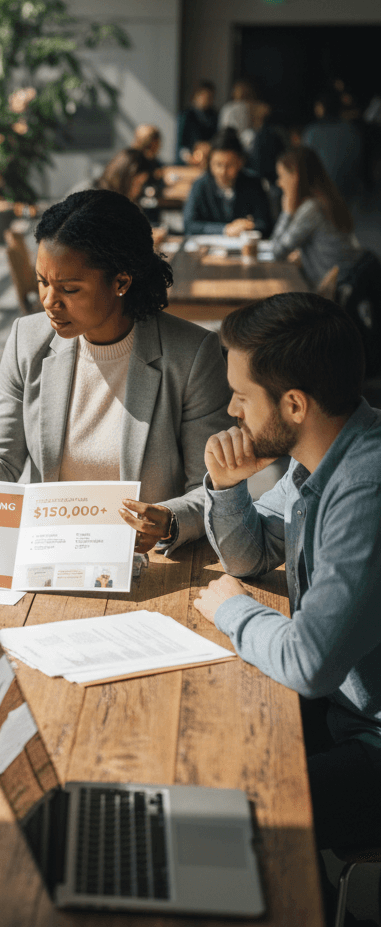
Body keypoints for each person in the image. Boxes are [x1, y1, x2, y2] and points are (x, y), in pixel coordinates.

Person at [192, 293, 381, 922]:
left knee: (219, 818)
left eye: (242, 396)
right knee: (207, 746)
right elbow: (250, 557)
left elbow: (309, 662)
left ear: (294, 404)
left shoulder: (366, 490)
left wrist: (232, 610)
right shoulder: (320, 462)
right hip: (343, 714)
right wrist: (226, 486)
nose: (230, 410)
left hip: (370, 743)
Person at [0, 190, 232, 554]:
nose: (49, 302)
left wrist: (169, 521)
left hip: (143, 561)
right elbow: (1, 459)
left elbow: (211, 488)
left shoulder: (190, 355)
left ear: (122, 282)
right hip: (47, 550)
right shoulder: (27, 340)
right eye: (43, 282)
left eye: (69, 289)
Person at [271, 146, 360, 289]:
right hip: (345, 285)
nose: (279, 183)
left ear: (295, 177)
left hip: (327, 294)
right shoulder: (326, 200)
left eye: (281, 176)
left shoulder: (311, 209)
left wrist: (287, 212)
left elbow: (276, 252)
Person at [183, 128, 273, 237]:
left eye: (229, 165)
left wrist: (248, 226)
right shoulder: (200, 185)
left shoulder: (254, 184)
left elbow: (266, 224)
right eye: (218, 164)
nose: (223, 172)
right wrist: (225, 230)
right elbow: (189, 224)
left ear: (240, 162)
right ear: (210, 162)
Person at [302, 88, 365, 202]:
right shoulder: (351, 129)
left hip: (326, 195)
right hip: (353, 191)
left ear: (321, 107)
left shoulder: (312, 133)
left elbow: (306, 166)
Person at [176, 80, 218, 163]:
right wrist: (189, 157)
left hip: (206, 159)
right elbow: (181, 145)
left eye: (211, 97)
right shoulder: (187, 115)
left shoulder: (214, 115)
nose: (208, 100)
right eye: (205, 96)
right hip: (188, 159)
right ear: (197, 96)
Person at [217, 78, 258, 151]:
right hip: (229, 139)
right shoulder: (228, 108)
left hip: (245, 139)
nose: (241, 93)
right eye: (238, 90)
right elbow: (224, 128)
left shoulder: (249, 108)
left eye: (243, 91)